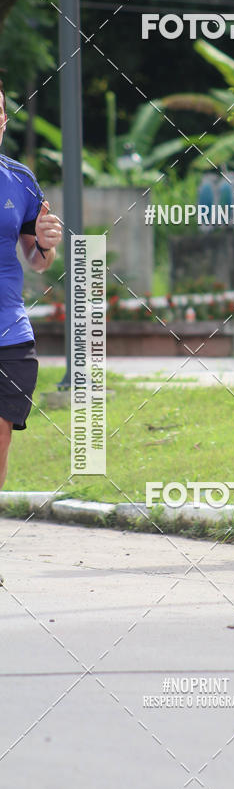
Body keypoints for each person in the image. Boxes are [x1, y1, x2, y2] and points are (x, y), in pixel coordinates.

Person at [0, 78, 62, 489]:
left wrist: (45, 242)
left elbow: (38, 261)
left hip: (9, 332)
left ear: (3, 121)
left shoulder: (19, 179)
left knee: (0, 437)